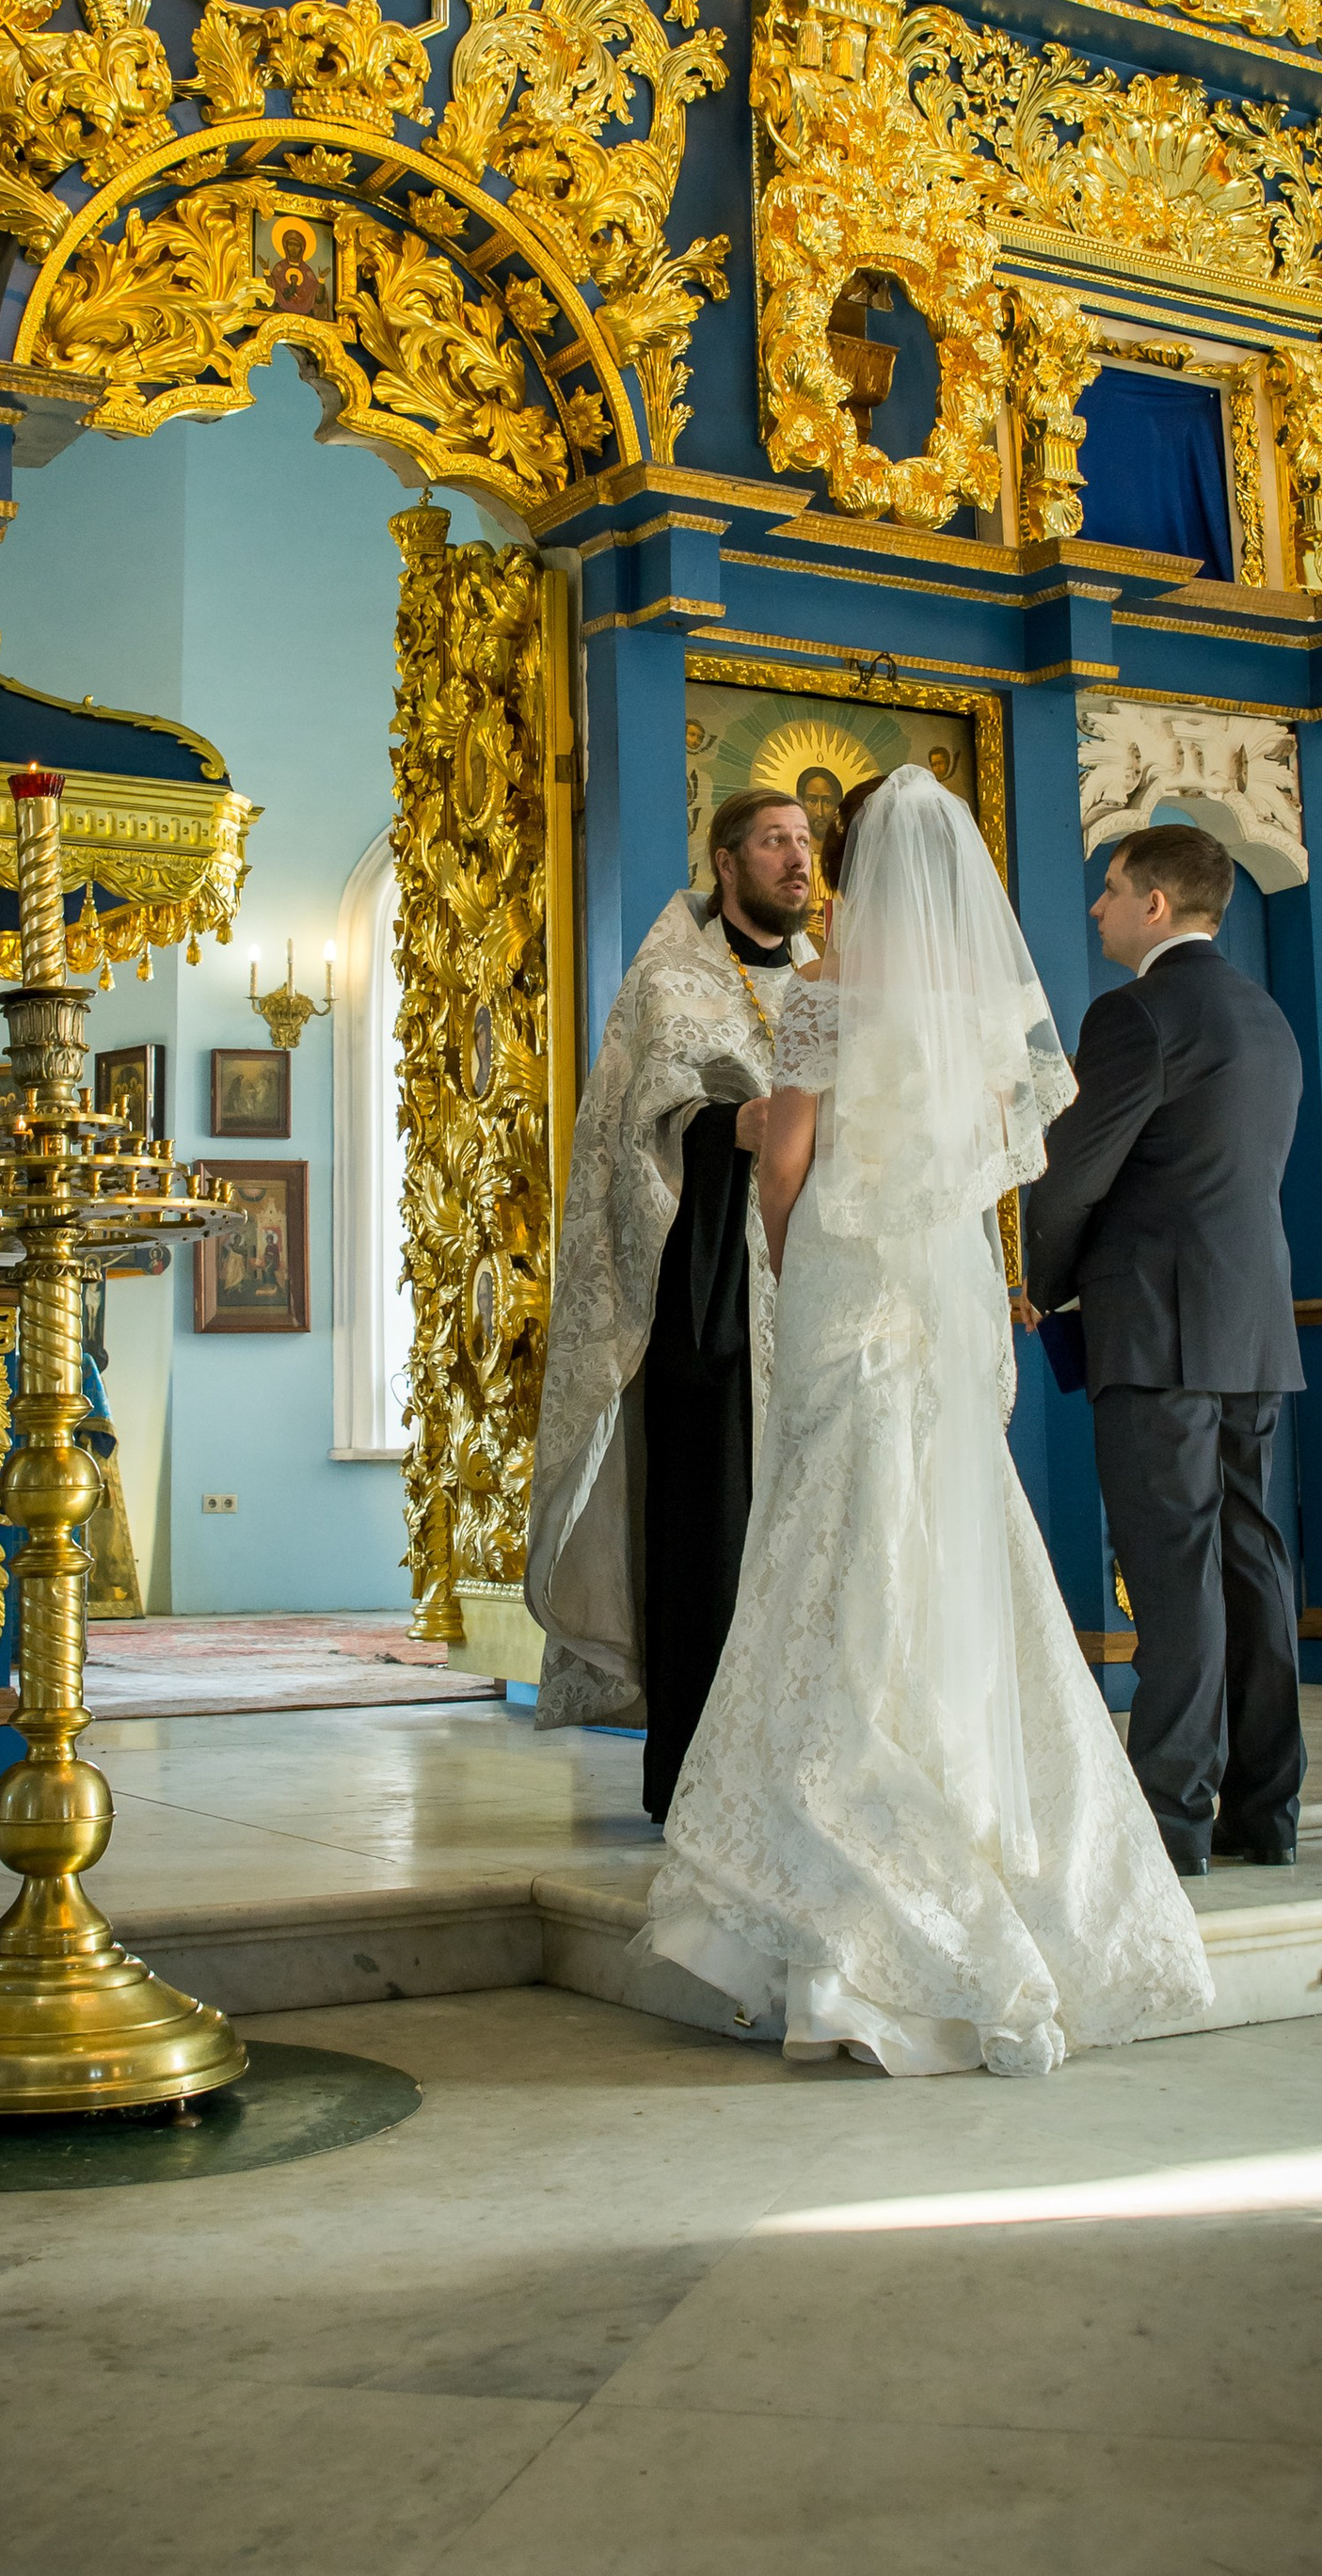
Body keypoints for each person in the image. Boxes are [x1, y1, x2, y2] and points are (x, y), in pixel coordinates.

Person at [644, 770, 1213, 2072]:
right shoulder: (976, 1010)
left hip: (853, 1279)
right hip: (948, 1287)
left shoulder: (826, 996)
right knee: (955, 1536)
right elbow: (1007, 1163)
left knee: (836, 1537)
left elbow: (783, 1161)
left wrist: (791, 1254)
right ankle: (985, 1803)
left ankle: (855, 1873)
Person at [1019, 823, 1307, 1879]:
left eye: (1109, 891)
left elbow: (1070, 1175)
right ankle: (1265, 1809)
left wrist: (1036, 1283)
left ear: (1154, 906)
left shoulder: (1136, 1012)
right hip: (1250, 1321)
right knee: (1249, 1559)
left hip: (1156, 1322)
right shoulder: (1263, 1014)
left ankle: (1170, 1817)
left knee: (1172, 1566)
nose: (1095, 907)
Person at [525, 790, 815, 1816]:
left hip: (819, 1287)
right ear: (726, 861)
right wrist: (727, 1128)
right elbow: (627, 1135)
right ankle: (697, 1774)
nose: (797, 859)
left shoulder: (827, 982)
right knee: (713, 1533)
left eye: (806, 842)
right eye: (775, 842)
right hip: (713, 1301)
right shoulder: (669, 979)